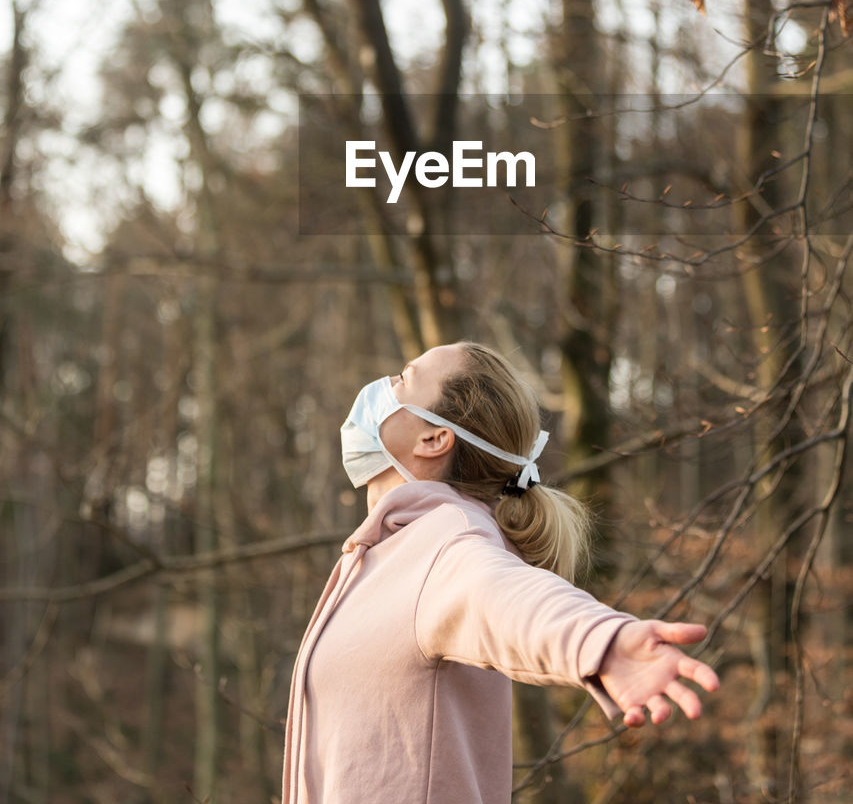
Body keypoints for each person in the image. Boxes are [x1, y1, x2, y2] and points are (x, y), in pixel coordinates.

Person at [281, 341, 720, 803]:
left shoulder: (447, 542)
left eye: (405, 379)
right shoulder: (389, 553)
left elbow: (507, 597)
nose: (383, 387)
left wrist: (602, 641)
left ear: (434, 438)